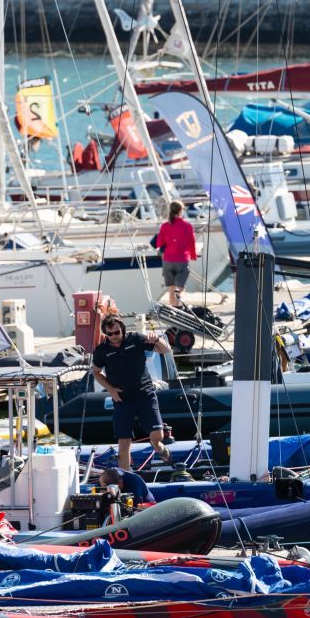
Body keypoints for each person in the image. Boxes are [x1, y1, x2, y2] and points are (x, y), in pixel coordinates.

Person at [91, 314, 173, 471]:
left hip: (145, 394)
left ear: (122, 329)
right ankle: (126, 477)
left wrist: (156, 339)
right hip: (122, 399)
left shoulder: (135, 339)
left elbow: (166, 350)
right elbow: (96, 372)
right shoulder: (102, 351)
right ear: (105, 334)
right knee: (124, 442)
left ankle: (160, 448)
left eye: (117, 332)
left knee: (157, 436)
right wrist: (111, 389)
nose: (114, 336)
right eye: (110, 334)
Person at [153, 201, 197, 307]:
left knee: (171, 288)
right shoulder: (187, 226)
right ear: (181, 210)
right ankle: (177, 308)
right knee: (180, 287)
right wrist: (193, 256)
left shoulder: (165, 226)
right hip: (181, 259)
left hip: (168, 260)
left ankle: (172, 311)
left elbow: (159, 243)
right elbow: (192, 242)